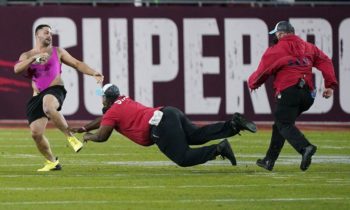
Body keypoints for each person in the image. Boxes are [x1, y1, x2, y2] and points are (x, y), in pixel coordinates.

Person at [71, 83, 257, 167]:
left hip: (158, 127)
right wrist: (85, 127)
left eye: (102, 96)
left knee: (183, 158)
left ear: (107, 99)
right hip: (168, 112)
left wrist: (89, 137)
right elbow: (104, 119)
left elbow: (103, 136)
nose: (101, 99)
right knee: (196, 135)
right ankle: (233, 125)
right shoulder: (122, 100)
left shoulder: (112, 111)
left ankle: (219, 149)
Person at [248, 21, 338, 171]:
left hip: (289, 91)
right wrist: (330, 85)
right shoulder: (308, 47)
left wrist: (251, 84)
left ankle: (305, 147)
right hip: (307, 96)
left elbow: (262, 73)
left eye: (276, 34)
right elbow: (325, 61)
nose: (276, 37)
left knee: (283, 124)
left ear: (281, 34)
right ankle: (269, 160)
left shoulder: (276, 50)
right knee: (281, 124)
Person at [14, 24, 104, 171]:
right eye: (46, 33)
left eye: (51, 33)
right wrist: (33, 59)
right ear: (37, 35)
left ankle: (71, 138)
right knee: (36, 134)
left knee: (48, 106)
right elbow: (17, 69)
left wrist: (93, 72)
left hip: (55, 90)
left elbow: (77, 63)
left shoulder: (58, 51)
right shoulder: (27, 55)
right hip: (37, 96)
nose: (50, 35)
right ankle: (51, 162)